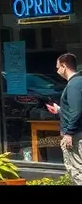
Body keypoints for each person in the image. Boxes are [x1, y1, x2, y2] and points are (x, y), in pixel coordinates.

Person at [47, 52, 82, 184]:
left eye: (57, 67)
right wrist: (60, 110)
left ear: (64, 66)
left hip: (76, 136)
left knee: (77, 171)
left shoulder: (73, 85)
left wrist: (69, 133)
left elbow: (77, 111)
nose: (57, 71)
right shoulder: (79, 82)